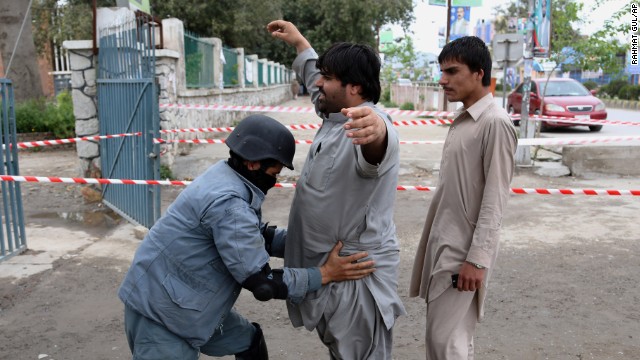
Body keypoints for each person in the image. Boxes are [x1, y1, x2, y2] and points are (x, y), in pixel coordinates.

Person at [118, 114, 376, 360]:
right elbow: (262, 282)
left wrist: (313, 243)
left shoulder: (226, 176)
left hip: (187, 300)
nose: (274, 181)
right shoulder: (230, 204)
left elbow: (250, 237)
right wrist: (325, 274)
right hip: (162, 314)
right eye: (274, 173)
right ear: (253, 163)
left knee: (248, 340)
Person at [266, 20, 406, 359]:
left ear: (355, 88)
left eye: (327, 78)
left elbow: (377, 146)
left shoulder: (364, 126)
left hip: (355, 278)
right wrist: (301, 44)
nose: (318, 83)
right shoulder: (335, 115)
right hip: (330, 274)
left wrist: (378, 128)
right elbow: (318, 86)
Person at [409, 36, 518, 359]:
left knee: (448, 343)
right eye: (442, 72)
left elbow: (495, 199)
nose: (443, 80)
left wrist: (477, 259)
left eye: (452, 71)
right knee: (441, 339)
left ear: (478, 73)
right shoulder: (465, 119)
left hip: (463, 253)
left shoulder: (495, 123)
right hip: (444, 245)